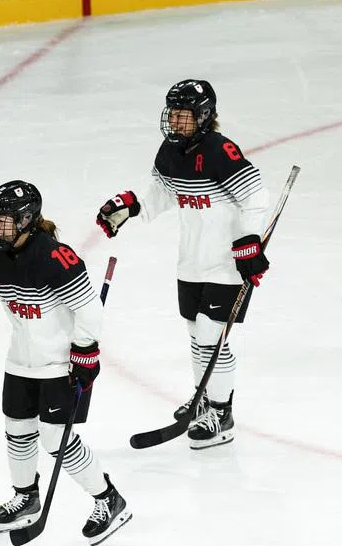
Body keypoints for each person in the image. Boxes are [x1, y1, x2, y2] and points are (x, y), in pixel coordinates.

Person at [0, 180, 131, 546]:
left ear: (27, 220)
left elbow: (89, 308)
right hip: (20, 361)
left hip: (59, 364)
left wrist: (84, 350)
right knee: (17, 430)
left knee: (54, 438)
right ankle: (27, 496)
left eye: (4, 220)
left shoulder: (54, 258)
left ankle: (109, 499)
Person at [95, 80, 269, 449]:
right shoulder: (170, 150)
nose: (174, 121)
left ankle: (222, 414)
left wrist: (250, 242)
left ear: (204, 116)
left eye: (182, 115)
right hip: (190, 261)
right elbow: (160, 194)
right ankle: (204, 396)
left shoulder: (221, 151)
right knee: (195, 332)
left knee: (211, 335)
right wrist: (129, 208)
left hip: (227, 262)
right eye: (171, 113)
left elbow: (255, 196)